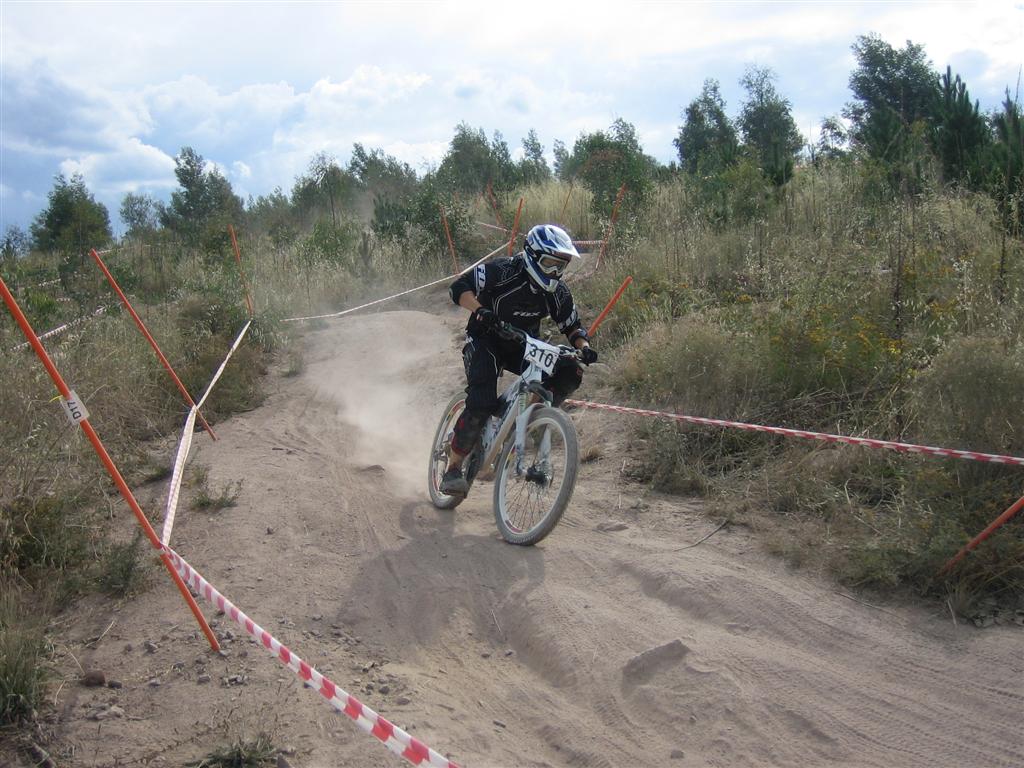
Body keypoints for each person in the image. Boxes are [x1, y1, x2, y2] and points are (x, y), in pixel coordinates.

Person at [439, 223, 598, 497]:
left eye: (561, 267)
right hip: (485, 340)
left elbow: (572, 327)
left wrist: (583, 347)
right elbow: (459, 288)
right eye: (550, 264)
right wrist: (480, 311)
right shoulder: (503, 271)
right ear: (532, 255)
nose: (555, 273)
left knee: (571, 369)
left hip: (523, 346)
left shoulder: (558, 293)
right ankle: (453, 468)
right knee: (482, 402)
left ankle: (534, 414)